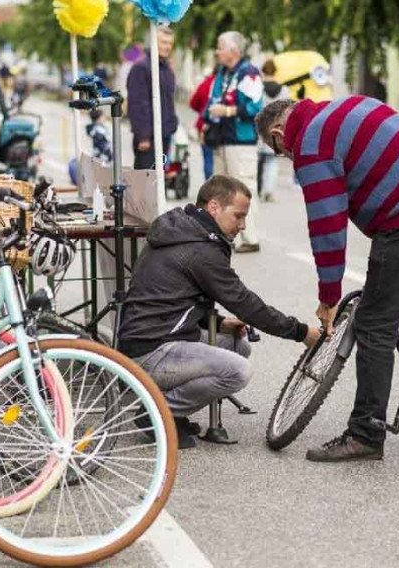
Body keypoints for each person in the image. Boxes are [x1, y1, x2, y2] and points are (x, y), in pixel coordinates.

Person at [256, 95, 399, 462]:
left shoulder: (310, 143)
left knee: (374, 325)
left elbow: (327, 228)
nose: (286, 157)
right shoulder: (348, 105)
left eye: (279, 151)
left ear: (279, 132)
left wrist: (328, 298)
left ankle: (366, 433)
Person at [118, 175, 320, 448]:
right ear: (214, 207)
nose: (243, 225)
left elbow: (172, 296)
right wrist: (300, 332)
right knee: (238, 371)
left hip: (152, 338)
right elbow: (245, 302)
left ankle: (170, 411)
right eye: (238, 216)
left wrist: (218, 322)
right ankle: (157, 412)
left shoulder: (183, 229)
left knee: (239, 345)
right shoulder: (200, 248)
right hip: (151, 351)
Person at [203, 31, 263, 253]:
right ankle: (224, 235)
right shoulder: (222, 73)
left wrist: (227, 110)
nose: (217, 51)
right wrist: (206, 122)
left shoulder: (249, 73)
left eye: (220, 47)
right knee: (221, 190)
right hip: (221, 138)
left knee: (244, 188)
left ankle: (250, 238)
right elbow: (211, 101)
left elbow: (255, 108)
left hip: (241, 141)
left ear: (234, 51)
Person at [126, 26, 178, 170]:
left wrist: (172, 125)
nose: (167, 47)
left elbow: (168, 100)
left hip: (165, 134)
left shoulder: (167, 69)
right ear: (153, 42)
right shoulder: (141, 67)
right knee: (145, 181)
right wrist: (143, 136)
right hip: (148, 138)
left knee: (159, 182)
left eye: (170, 43)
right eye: (163, 42)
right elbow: (137, 104)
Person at [257, 59, 289, 202]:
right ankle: (269, 191)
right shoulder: (284, 90)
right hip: (276, 129)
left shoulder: (258, 88)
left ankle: (257, 190)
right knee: (272, 161)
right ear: (275, 72)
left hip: (259, 128)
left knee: (257, 161)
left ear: (263, 71)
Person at [189, 67, 216, 180]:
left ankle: (210, 184)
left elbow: (193, 102)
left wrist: (201, 110)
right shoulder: (226, 84)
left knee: (208, 157)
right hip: (225, 127)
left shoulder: (205, 84)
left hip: (205, 126)